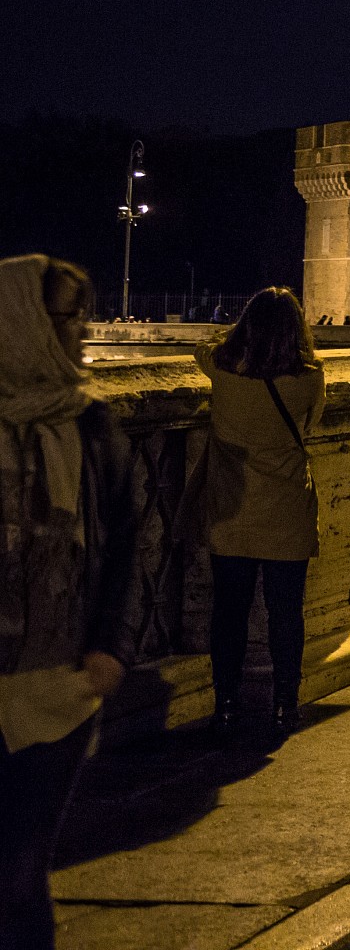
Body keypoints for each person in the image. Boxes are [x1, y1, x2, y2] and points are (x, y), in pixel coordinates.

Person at [1, 257, 133, 950]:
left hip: (59, 681)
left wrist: (108, 642)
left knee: (20, 871)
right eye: (65, 318)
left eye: (82, 316)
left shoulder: (89, 423)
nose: (82, 331)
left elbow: (122, 537)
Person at [191, 287, 326, 733]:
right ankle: (285, 703)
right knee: (285, 613)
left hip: (233, 509)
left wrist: (238, 335)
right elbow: (311, 424)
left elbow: (204, 347)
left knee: (230, 611)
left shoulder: (222, 368)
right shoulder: (309, 377)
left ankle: (226, 704)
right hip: (287, 509)